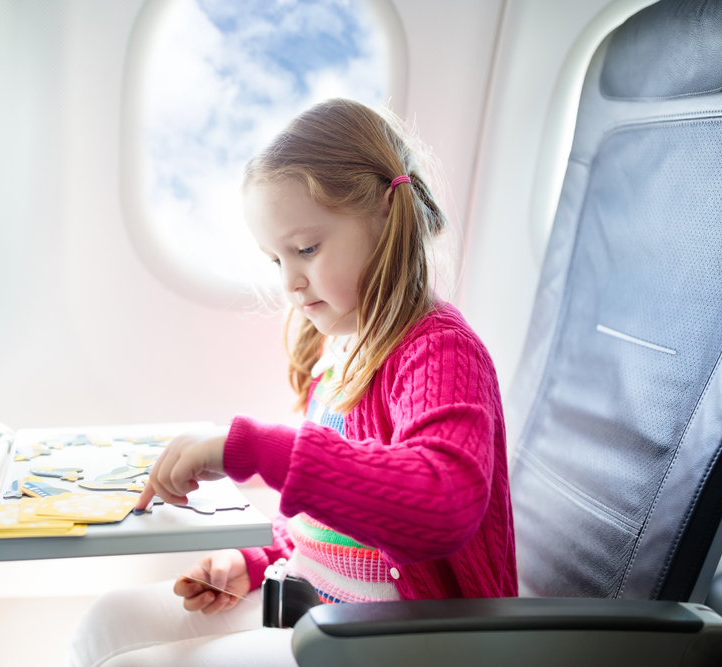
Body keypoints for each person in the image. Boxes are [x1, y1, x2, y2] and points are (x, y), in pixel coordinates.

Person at [66, 98, 517, 667]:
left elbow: (440, 504)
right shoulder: (334, 351)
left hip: (409, 639)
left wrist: (252, 447)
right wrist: (253, 562)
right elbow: (324, 517)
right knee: (108, 623)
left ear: (386, 215)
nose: (291, 281)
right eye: (275, 260)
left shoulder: (439, 349)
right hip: (321, 606)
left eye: (306, 249)